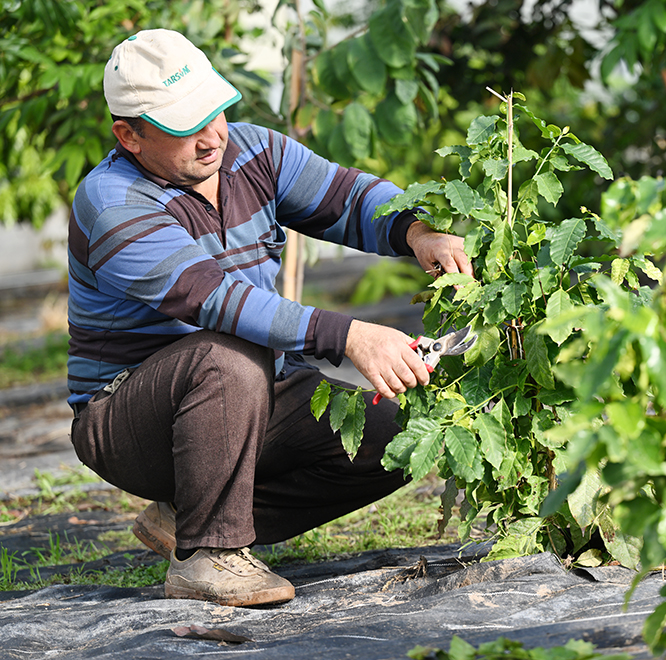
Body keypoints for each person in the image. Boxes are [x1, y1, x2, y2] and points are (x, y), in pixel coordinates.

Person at [67, 29, 473, 607]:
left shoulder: (254, 152)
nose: (211, 138)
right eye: (185, 126)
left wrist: (416, 230)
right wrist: (350, 336)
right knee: (229, 350)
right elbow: (218, 300)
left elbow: (347, 198)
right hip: (129, 418)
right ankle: (210, 556)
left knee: (398, 440)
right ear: (128, 136)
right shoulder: (112, 203)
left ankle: (191, 520)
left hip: (250, 394)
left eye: (215, 113)